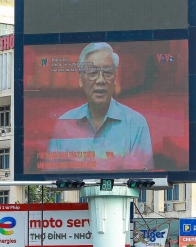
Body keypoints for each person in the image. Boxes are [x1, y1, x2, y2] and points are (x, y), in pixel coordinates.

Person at [46, 42, 154, 172]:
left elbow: (145, 178)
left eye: (107, 72)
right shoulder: (64, 123)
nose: (100, 80)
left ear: (115, 79)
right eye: (92, 72)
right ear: (81, 78)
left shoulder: (136, 124)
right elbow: (51, 177)